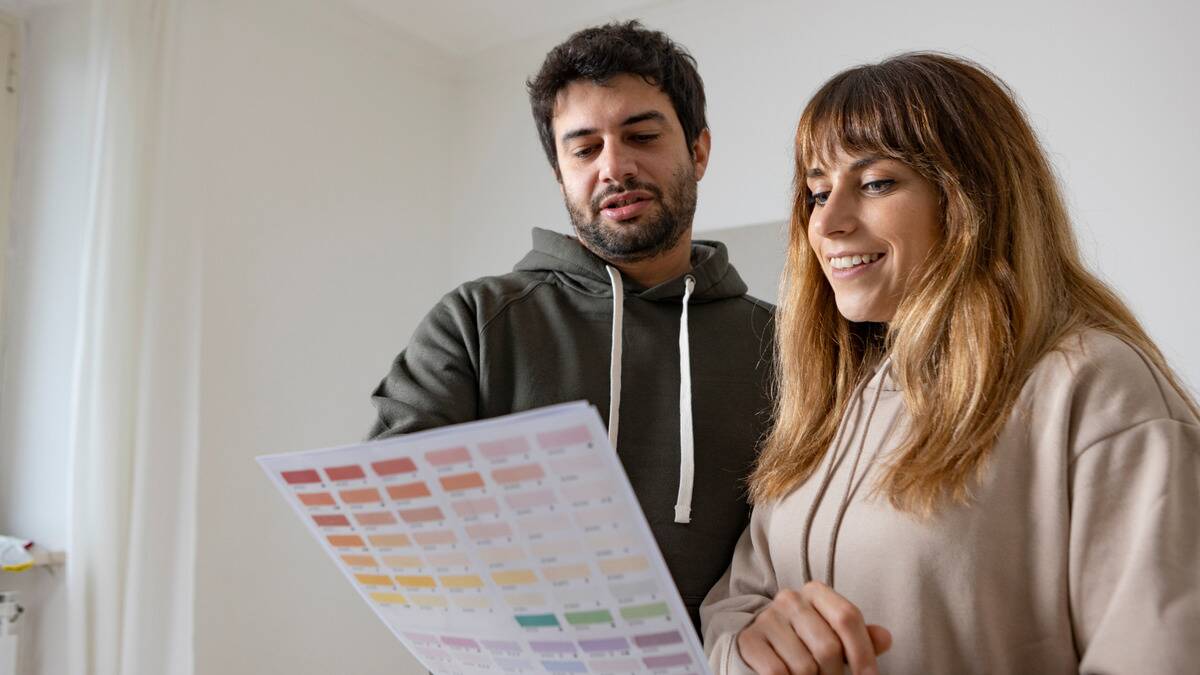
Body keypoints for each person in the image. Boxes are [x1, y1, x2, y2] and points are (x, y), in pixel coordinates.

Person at [701, 52, 1200, 674]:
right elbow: (735, 609)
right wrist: (751, 646)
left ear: (972, 194)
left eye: (877, 182)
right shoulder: (833, 407)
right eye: (817, 191)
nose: (826, 222)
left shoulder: (1092, 384)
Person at [368, 20, 773, 631]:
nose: (615, 167)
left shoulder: (787, 342)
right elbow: (387, 515)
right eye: (584, 149)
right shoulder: (475, 321)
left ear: (698, 151)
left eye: (641, 136)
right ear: (561, 174)